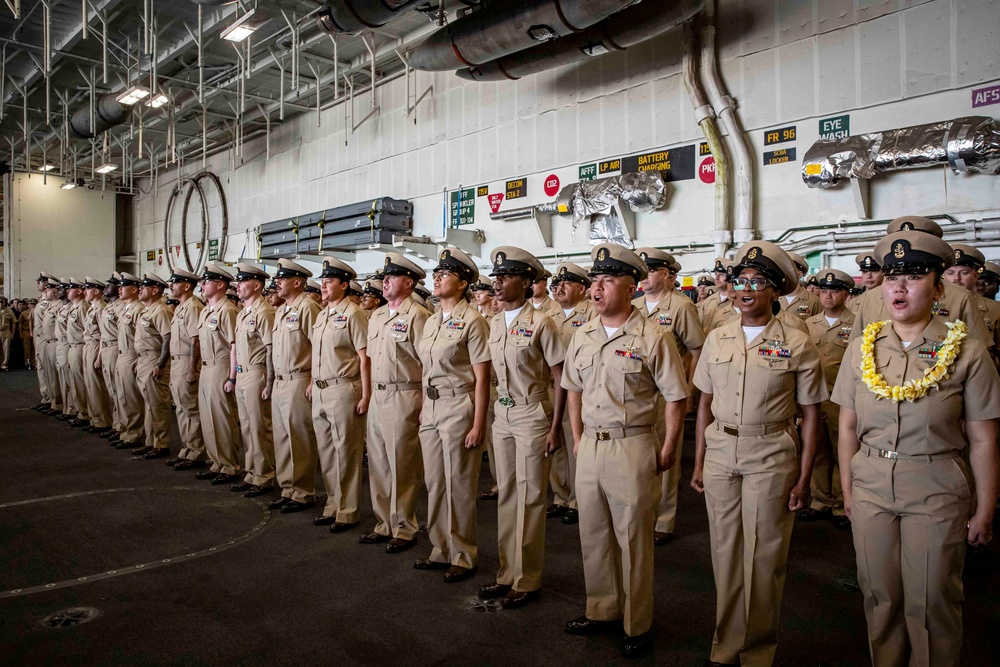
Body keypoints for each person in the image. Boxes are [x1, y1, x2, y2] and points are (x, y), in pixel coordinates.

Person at [832, 230, 999, 667]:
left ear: (939, 287)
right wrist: (848, 491)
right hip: (870, 482)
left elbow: (983, 436)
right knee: (880, 596)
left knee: (931, 601)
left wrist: (986, 507)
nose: (899, 287)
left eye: (914, 275)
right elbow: (847, 425)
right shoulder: (860, 348)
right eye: (891, 277)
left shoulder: (966, 349)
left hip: (936, 483)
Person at [691, 241, 826, 667]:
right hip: (720, 453)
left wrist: (805, 479)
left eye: (758, 282)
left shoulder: (797, 342)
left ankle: (758, 650)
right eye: (741, 281)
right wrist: (697, 461)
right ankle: (726, 644)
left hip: (771, 453)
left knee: (764, 556)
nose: (746, 289)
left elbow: (811, 415)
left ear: (775, 292)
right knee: (725, 551)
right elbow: (704, 407)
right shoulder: (717, 338)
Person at [561, 243, 689, 658]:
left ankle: (637, 621)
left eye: (608, 281)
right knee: (593, 534)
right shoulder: (583, 334)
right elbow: (573, 390)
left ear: (631, 287)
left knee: (633, 539)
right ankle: (601, 608)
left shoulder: (654, 336)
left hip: (632, 444)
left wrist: (668, 446)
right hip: (591, 447)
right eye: (594, 282)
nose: (597, 290)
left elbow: (675, 396)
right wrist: (577, 437)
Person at [478, 246, 566, 609]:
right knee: (508, 496)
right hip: (504, 414)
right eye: (496, 277)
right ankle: (506, 572)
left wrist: (556, 426)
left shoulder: (542, 322)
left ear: (527, 282)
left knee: (531, 497)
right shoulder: (495, 323)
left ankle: (527, 578)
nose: (497, 283)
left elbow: (561, 377)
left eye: (506, 277)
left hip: (532, 413)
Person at [413, 247, 491, 582]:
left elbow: (483, 377)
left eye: (445, 274)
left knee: (458, 483)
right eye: (437, 273)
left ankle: (463, 553)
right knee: (434, 482)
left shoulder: (473, 320)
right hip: (431, 407)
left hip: (459, 406)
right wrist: (421, 406)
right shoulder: (431, 320)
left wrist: (478, 424)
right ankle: (440, 548)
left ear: (462, 284)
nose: (437, 277)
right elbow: (424, 367)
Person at [635, 247, 706, 546]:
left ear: (665, 274)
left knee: (666, 456)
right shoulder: (636, 306)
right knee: (641, 457)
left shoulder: (680, 306)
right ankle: (642, 514)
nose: (645, 276)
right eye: (643, 271)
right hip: (639, 392)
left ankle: (663, 520)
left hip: (667, 392)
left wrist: (690, 390)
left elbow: (696, 350)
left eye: (651, 270)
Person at [362, 253, 430, 553]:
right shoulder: (376, 315)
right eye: (384, 277)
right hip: (379, 394)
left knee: (402, 463)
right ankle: (383, 523)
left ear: (409, 282)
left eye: (392, 277)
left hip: (405, 394)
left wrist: (425, 404)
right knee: (378, 463)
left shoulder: (418, 316)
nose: (384, 281)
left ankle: (404, 526)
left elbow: (428, 364)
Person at [849, 217, 990, 348]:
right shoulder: (870, 298)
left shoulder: (961, 297)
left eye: (917, 240)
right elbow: (854, 348)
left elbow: (979, 350)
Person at [308, 257, 370, 532]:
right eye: (322, 281)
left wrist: (366, 395)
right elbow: (316, 354)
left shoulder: (354, 313)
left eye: (329, 281)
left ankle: (348, 510)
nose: (323, 285)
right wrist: (312, 381)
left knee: (346, 452)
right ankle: (332, 504)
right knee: (327, 453)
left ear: (344, 285)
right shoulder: (322, 315)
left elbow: (364, 357)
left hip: (344, 388)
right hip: (321, 389)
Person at [799, 269, 856, 530]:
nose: (828, 295)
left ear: (846, 293)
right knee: (816, 449)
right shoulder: (809, 325)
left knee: (842, 450)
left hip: (841, 398)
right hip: (813, 397)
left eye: (834, 290)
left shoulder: (856, 325)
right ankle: (820, 499)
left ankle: (841, 502)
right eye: (824, 290)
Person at [268, 259, 321, 514]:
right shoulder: (281, 310)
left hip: (299, 378)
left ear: (297, 282)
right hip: (280, 380)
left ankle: (303, 491)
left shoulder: (308, 307)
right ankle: (288, 488)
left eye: (283, 278)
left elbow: (318, 347)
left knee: (298, 438)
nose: (277, 282)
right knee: (282, 437)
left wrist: (313, 379)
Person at [547, 262, 595, 526]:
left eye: (567, 283)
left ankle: (577, 499)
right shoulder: (549, 315)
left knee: (575, 443)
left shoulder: (591, 316)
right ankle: (560, 495)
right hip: (554, 388)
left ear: (582, 288)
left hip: (581, 391)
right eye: (557, 284)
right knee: (556, 445)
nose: (560, 288)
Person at [228, 263, 277, 498]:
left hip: (258, 374)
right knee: (246, 428)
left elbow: (270, 349)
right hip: (243, 374)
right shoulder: (243, 313)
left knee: (259, 428)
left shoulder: (264, 312)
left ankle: (264, 475)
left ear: (256, 285)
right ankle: (252, 473)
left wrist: (269, 383)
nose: (238, 286)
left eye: (243, 281)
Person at [196, 262, 243, 482]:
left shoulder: (228, 310)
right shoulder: (206, 310)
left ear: (221, 285)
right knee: (208, 418)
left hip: (221, 367)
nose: (203, 285)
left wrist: (232, 377)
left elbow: (234, 346)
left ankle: (229, 464)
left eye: (208, 281)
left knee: (223, 419)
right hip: (206, 368)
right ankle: (216, 462)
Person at [166, 269, 206, 469]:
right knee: (181, 409)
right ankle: (187, 449)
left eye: (175, 282)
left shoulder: (193, 307)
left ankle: (196, 451)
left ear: (187, 286)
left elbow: (195, 340)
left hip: (186, 362)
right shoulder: (181, 308)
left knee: (190, 409)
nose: (171, 286)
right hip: (177, 362)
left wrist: (192, 368)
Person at [132, 273, 173, 459]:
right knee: (148, 404)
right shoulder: (146, 311)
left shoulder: (160, 310)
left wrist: (160, 364)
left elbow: (167, 338)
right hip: (143, 360)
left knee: (158, 405)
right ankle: (151, 441)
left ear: (155, 290)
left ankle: (161, 443)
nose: (140, 289)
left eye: (144, 287)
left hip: (154, 359)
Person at [943, 244, 1000, 368]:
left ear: (975, 276)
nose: (956, 279)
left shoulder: (995, 310)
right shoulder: (929, 307)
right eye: (950, 273)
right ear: (943, 276)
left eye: (964, 273)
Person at [82, 277, 113, 436]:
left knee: (97, 386)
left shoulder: (101, 307)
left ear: (96, 291)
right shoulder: (91, 307)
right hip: (88, 345)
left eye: (88, 289)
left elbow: (103, 334)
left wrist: (99, 357)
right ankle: (94, 418)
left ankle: (103, 420)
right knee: (90, 385)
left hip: (96, 346)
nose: (84, 292)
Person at [97, 275, 123, 440]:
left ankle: (122, 425)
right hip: (106, 348)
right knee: (112, 390)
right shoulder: (108, 307)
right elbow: (102, 334)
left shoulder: (121, 307)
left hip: (115, 348)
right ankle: (117, 424)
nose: (105, 288)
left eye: (110, 285)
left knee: (119, 390)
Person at [64, 279, 91, 428]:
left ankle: (85, 412)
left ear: (79, 291)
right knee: (74, 382)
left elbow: (87, 330)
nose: (68, 291)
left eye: (71, 288)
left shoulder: (83, 307)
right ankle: (80, 411)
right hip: (72, 346)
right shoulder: (74, 307)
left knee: (81, 382)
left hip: (80, 346)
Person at [30, 273, 54, 411]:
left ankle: (51, 398)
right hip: (38, 337)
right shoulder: (42, 299)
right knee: (41, 368)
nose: (38, 283)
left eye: (40, 281)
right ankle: (46, 397)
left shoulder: (49, 300)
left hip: (45, 337)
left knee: (47, 368)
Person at [39, 280, 63, 416]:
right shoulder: (50, 306)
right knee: (49, 375)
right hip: (47, 342)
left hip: (56, 342)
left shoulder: (60, 305)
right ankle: (53, 401)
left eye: (48, 290)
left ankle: (59, 403)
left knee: (56, 376)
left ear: (55, 292)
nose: (45, 292)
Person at [778, 252, 822, 320]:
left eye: (789, 271)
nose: (785, 274)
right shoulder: (774, 298)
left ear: (799, 274)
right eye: (783, 270)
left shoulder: (814, 301)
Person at [0, 297, 15, 371]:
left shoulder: (9, 311)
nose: (0, 304)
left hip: (6, 331)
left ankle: (4, 365)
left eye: (1, 302)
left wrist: (12, 333)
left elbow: (14, 323)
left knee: (6, 348)